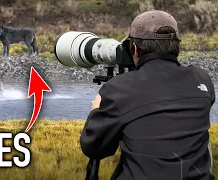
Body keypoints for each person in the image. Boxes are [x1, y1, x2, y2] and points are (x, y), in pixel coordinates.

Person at [80, 10, 215, 180]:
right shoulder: (201, 79)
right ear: (177, 46)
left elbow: (94, 148)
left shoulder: (120, 88)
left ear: (134, 49)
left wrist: (96, 110)